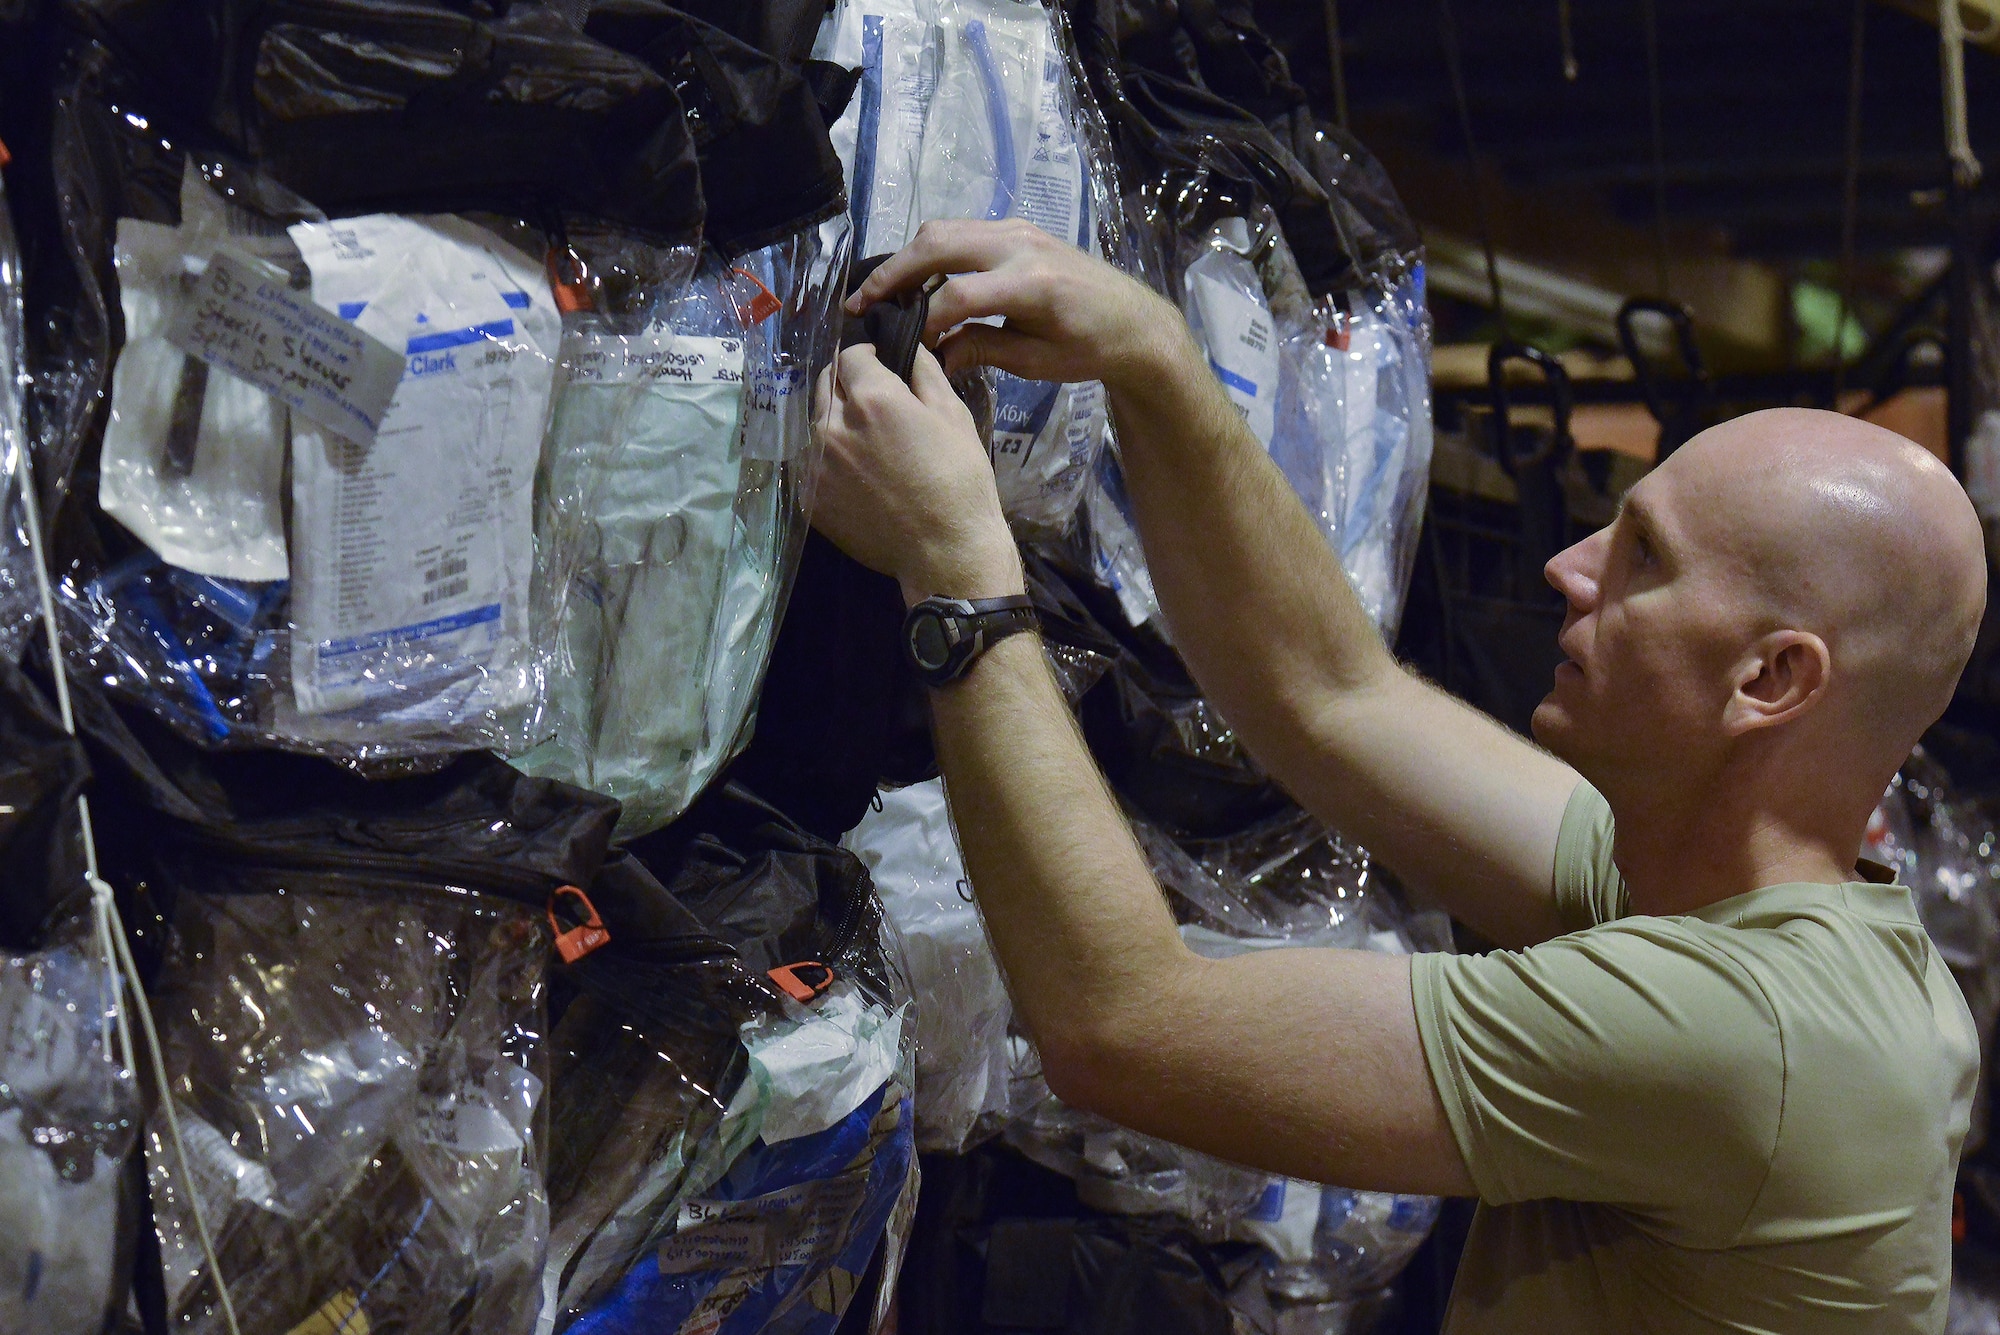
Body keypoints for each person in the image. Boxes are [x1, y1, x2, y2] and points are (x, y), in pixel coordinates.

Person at [809, 216, 1987, 1332]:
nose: (1565, 565)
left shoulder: (1742, 1035)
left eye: (1642, 557)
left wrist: (955, 572)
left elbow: (1123, 1025)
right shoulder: (1716, 890)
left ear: (1769, 681)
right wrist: (1151, 356)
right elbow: (1330, 696)